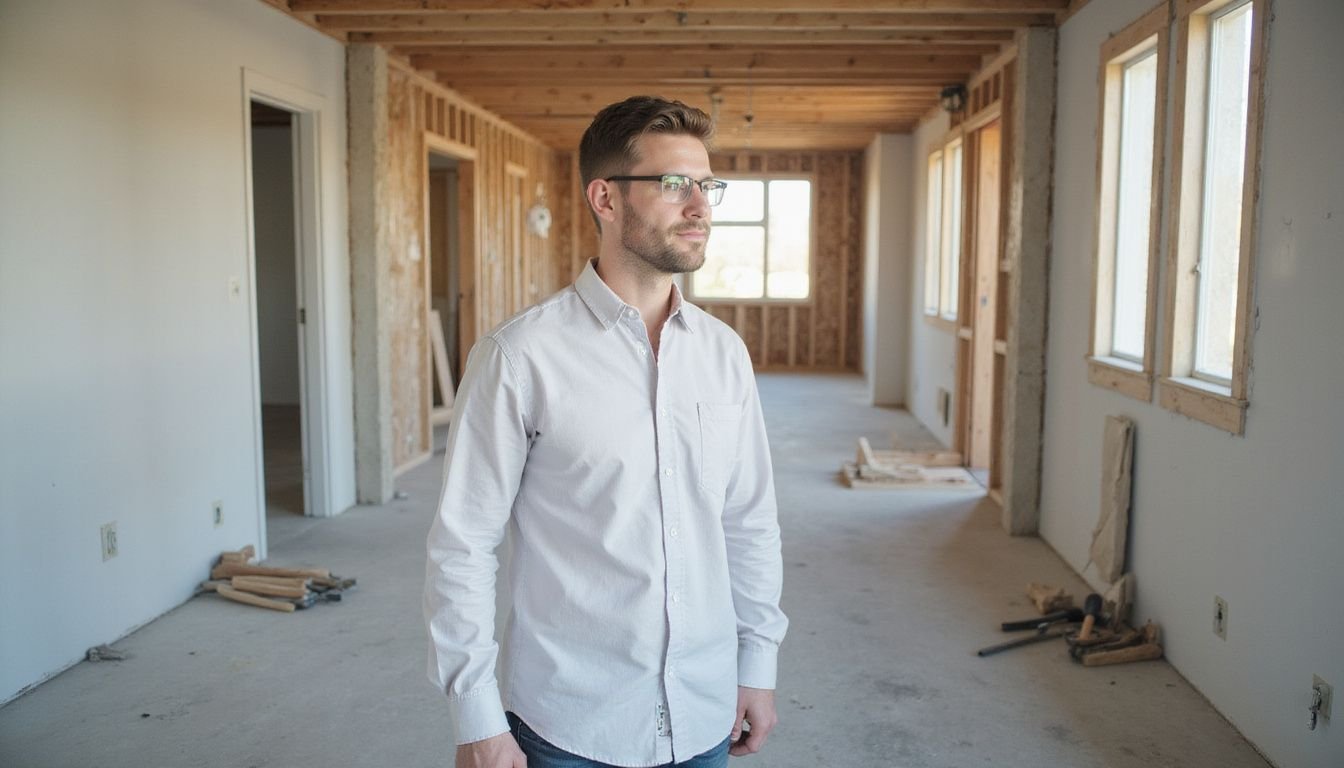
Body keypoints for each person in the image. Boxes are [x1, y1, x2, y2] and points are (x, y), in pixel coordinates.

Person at [423, 96, 788, 768]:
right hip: (570, 725)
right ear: (606, 198)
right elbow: (464, 544)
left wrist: (756, 663)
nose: (701, 206)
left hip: (704, 710)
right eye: (675, 184)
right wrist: (475, 716)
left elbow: (749, 521)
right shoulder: (520, 357)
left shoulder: (722, 353)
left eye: (707, 185)